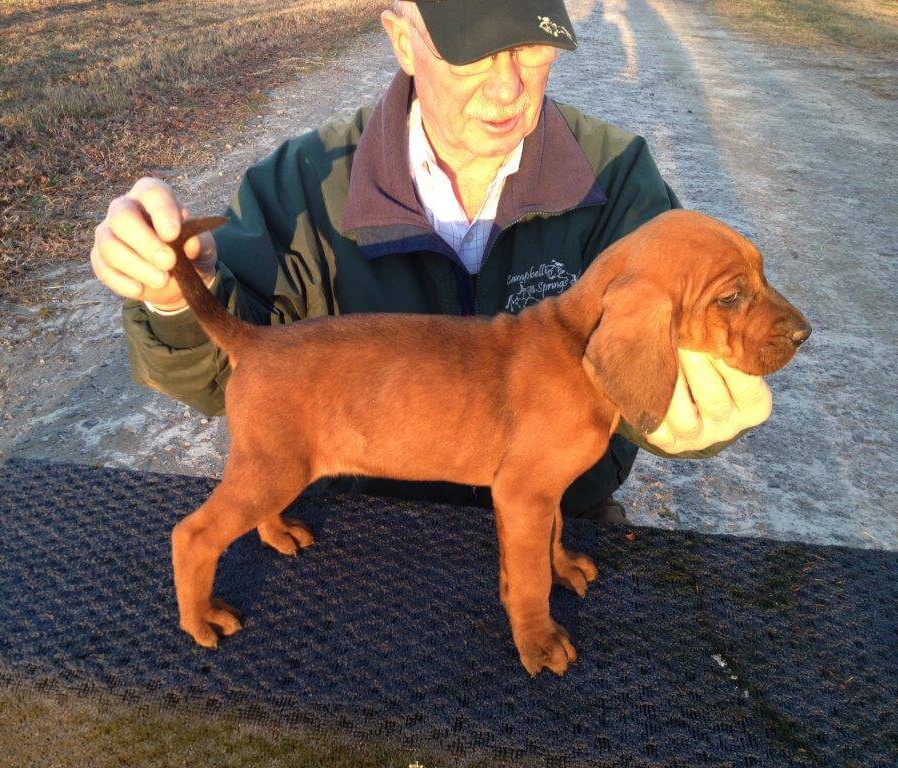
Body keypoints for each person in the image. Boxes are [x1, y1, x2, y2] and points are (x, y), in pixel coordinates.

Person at [90, 0, 772, 522]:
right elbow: (224, 378)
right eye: (473, 51)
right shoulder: (298, 188)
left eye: (532, 44)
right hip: (352, 540)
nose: (509, 87)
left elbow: (681, 367)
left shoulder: (620, 184)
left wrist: (684, 420)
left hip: (561, 521)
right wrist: (172, 295)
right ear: (401, 41)